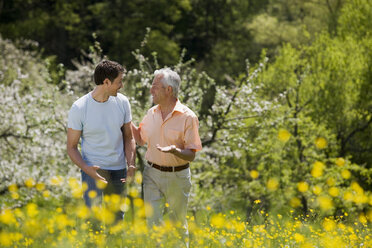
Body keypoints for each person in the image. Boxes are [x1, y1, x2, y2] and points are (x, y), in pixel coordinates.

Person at [131, 68, 202, 244]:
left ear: (168, 90)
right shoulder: (151, 113)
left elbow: (191, 154)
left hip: (177, 175)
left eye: (155, 86)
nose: (151, 90)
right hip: (152, 174)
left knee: (177, 225)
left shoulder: (188, 117)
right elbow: (140, 139)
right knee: (153, 224)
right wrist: (126, 120)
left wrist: (175, 151)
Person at [67, 60, 136, 222]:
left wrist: (131, 164)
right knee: (93, 221)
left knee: (117, 221)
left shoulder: (123, 102)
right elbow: (71, 147)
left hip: (119, 171)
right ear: (106, 82)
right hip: (93, 171)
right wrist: (86, 168)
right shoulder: (79, 108)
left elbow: (129, 137)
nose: (122, 86)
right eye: (119, 82)